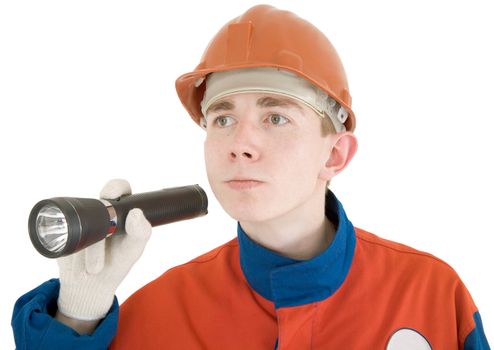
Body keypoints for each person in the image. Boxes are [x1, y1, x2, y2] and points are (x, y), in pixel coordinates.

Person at [11, 4, 490, 349]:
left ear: (336, 154)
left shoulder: (430, 295)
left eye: (275, 116)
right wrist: (75, 319)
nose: (240, 142)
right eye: (222, 118)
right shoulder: (158, 316)